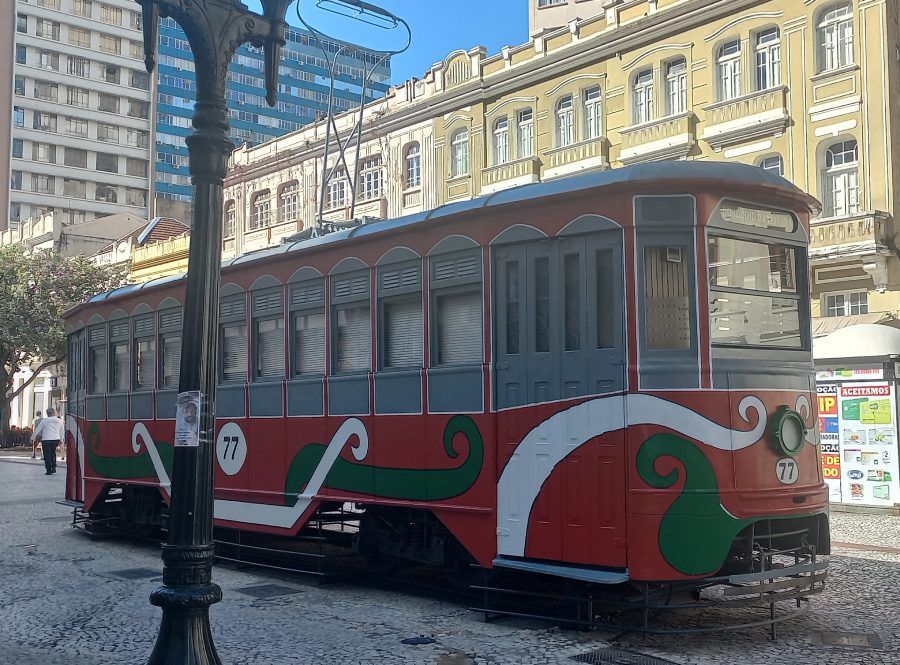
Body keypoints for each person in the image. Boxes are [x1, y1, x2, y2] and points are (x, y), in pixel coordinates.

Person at [31, 408, 64, 475]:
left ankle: (48, 469)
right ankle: (54, 466)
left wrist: (33, 437)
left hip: (46, 439)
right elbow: (62, 430)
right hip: (55, 439)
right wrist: (61, 439)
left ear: (47, 413)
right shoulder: (59, 421)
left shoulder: (44, 421)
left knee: (47, 455)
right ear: (54, 413)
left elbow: (37, 429)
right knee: (53, 453)